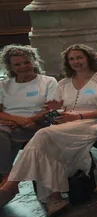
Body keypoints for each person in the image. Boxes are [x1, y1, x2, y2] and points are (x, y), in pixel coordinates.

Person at [0, 45, 97, 216]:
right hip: (64, 125)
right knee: (48, 149)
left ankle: (12, 184)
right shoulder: (64, 83)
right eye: (72, 59)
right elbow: (57, 111)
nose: (76, 62)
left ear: (88, 58)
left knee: (43, 134)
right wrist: (56, 111)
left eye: (79, 57)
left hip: (92, 123)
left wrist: (76, 117)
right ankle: (55, 199)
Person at [0, 45, 58, 187]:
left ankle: (7, 178)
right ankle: (7, 175)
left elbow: (53, 110)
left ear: (34, 62)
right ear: (11, 67)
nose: (23, 66)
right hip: (9, 123)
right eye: (17, 64)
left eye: (27, 62)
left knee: (4, 137)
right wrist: (17, 120)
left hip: (37, 123)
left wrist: (27, 121)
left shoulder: (48, 81)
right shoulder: (4, 85)